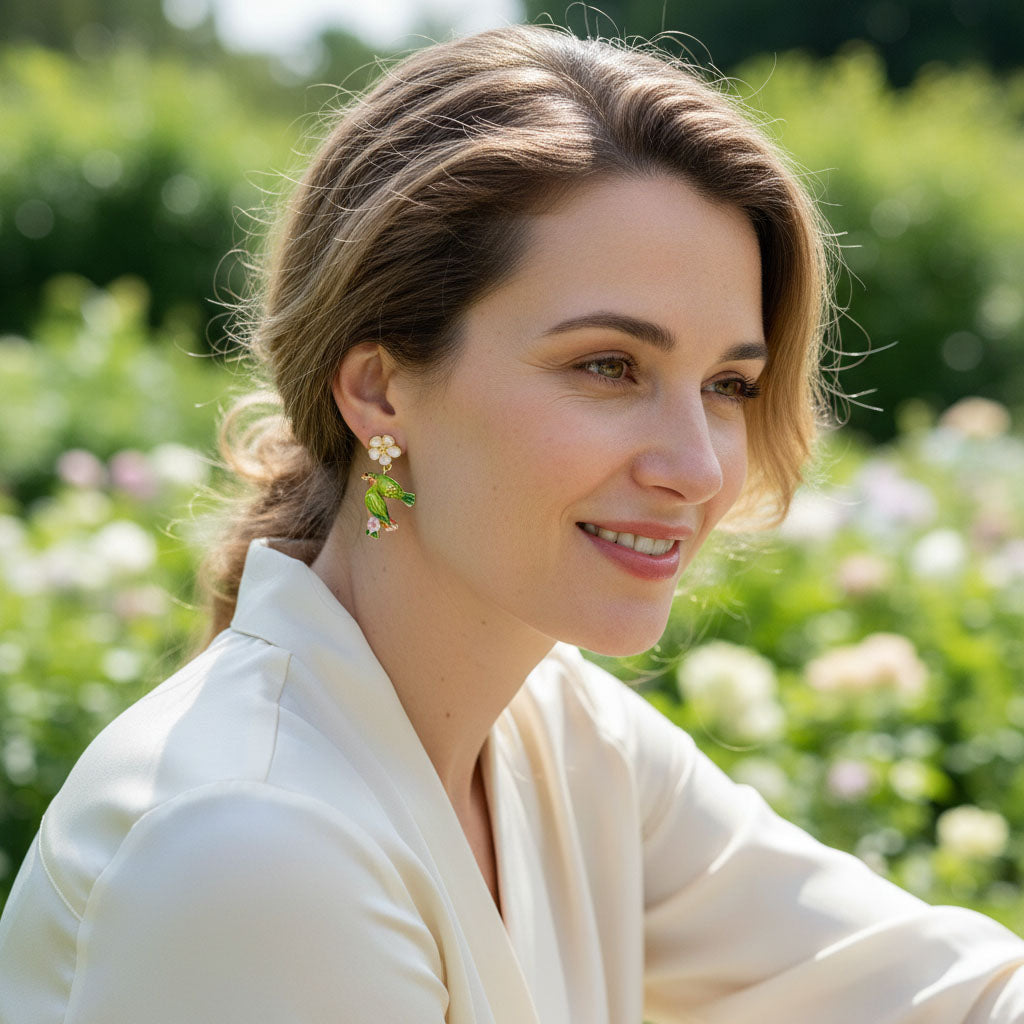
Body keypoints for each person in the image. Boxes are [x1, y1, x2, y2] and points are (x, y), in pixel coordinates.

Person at [1, 23, 1023, 1024]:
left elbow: (945, 992)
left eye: (726, 382)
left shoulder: (562, 737)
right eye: (608, 366)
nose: (698, 466)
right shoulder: (255, 844)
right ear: (378, 390)